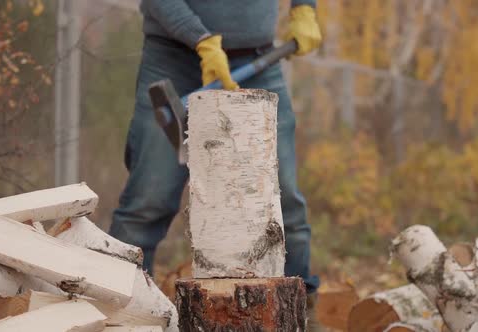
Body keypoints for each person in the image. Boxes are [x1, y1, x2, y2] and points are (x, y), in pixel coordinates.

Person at [109, 0, 323, 329]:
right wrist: (201, 39)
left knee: (285, 203)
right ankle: (120, 315)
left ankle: (301, 317)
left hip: (258, 59)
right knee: (146, 203)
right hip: (174, 58)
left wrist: (304, 8)